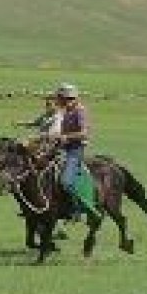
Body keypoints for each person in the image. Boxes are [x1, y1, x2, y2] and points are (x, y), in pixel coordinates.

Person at [54, 82, 98, 221]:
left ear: (69, 98)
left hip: (75, 150)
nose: (59, 101)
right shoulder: (66, 112)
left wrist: (66, 137)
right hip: (62, 148)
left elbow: (84, 133)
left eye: (60, 98)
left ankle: (77, 209)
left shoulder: (80, 111)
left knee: (66, 182)